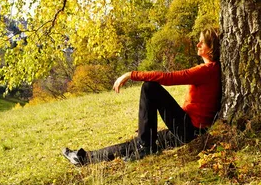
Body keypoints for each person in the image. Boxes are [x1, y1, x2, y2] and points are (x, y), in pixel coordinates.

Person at [62, 27, 221, 165]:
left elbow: (169, 77)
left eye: (202, 42)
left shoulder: (207, 71)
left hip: (190, 131)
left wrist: (131, 74)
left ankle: (147, 148)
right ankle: (84, 158)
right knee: (136, 144)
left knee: (149, 87)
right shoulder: (209, 70)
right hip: (186, 129)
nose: (198, 44)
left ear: (211, 47)